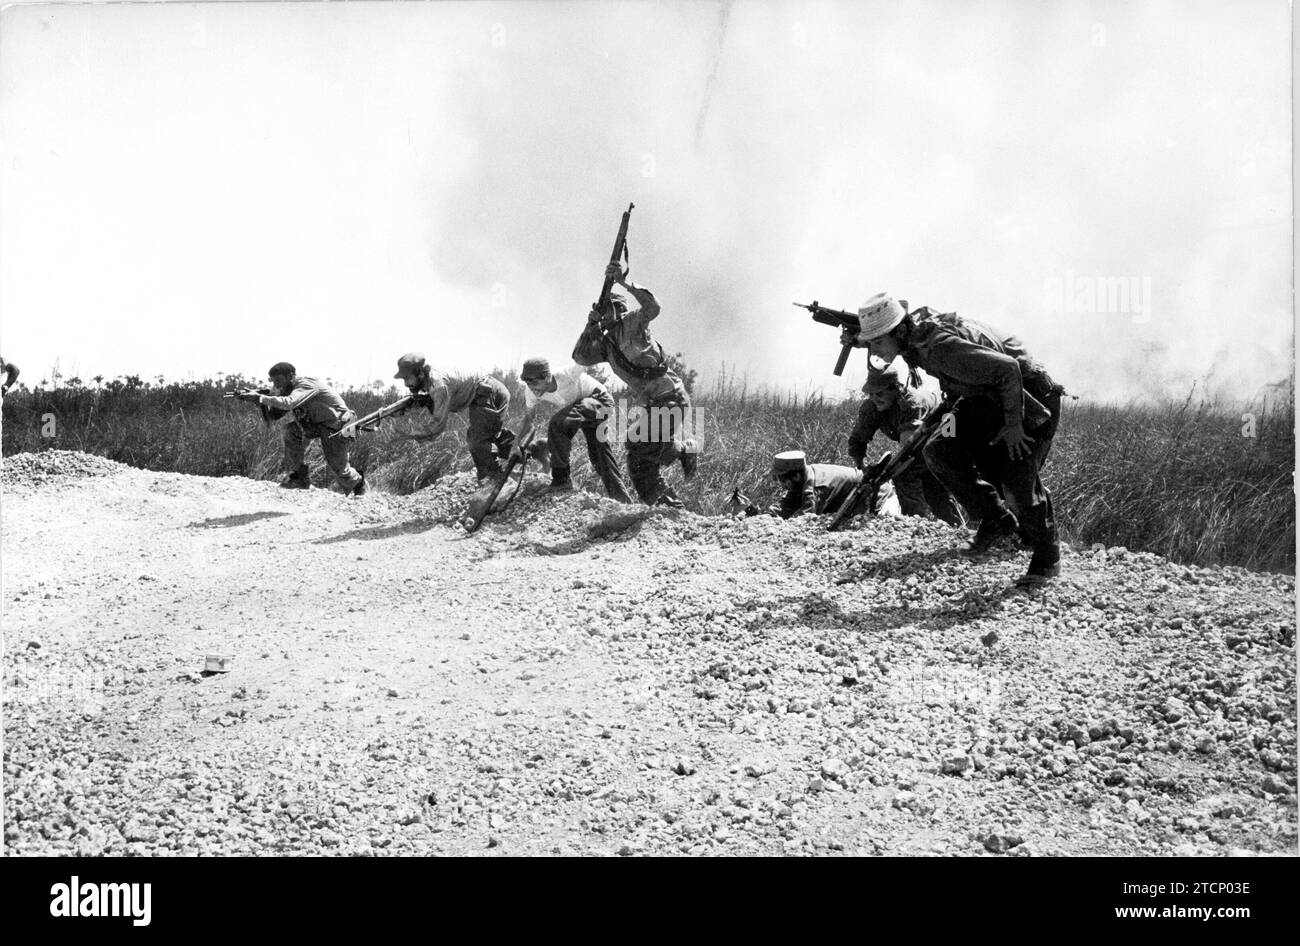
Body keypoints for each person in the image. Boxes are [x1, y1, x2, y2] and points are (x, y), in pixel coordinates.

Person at [844, 294, 1064, 587]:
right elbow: (888, 343)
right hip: (980, 397)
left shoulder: (941, 348)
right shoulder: (910, 334)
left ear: (898, 331)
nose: (874, 348)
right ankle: (997, 519)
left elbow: (1008, 369)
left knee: (1016, 478)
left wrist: (1013, 426)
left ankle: (1047, 558)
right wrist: (860, 339)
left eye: (877, 341)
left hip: (1025, 396)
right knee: (939, 450)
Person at [572, 258, 697, 507]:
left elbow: (654, 307)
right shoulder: (607, 345)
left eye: (606, 310)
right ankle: (666, 505)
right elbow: (580, 356)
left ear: (618, 311)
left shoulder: (633, 322)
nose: (604, 316)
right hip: (653, 403)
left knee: (634, 440)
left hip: (671, 396)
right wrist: (590, 325)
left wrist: (623, 282)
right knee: (638, 464)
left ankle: (683, 450)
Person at [848, 364, 964, 527]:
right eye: (871, 394)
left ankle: (919, 525)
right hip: (921, 443)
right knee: (916, 476)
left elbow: (907, 450)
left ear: (895, 389)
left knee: (915, 478)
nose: (875, 398)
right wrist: (862, 465)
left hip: (947, 432)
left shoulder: (912, 403)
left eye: (879, 393)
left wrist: (885, 473)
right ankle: (920, 525)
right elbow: (857, 439)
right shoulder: (871, 407)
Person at [518, 357, 632, 502]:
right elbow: (529, 418)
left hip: (600, 402)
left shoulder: (567, 374)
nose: (532, 388)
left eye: (535, 383)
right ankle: (624, 500)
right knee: (599, 456)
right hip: (584, 412)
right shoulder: (531, 391)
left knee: (558, 424)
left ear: (547, 377)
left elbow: (588, 358)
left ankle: (561, 480)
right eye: (528, 383)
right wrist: (516, 445)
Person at [243, 362, 366, 495]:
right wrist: (257, 401)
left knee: (340, 470)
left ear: (290, 376)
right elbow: (274, 415)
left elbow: (289, 403)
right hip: (317, 425)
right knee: (291, 431)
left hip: (337, 425)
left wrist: (261, 398)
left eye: (278, 381)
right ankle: (300, 477)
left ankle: (359, 483)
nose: (276, 385)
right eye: (273, 382)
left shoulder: (305, 385)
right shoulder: (290, 390)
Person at [391, 352, 515, 483]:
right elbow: (444, 400)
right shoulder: (431, 380)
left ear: (420, 373)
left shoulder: (438, 385)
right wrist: (419, 403)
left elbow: (437, 426)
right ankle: (506, 450)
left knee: (476, 440)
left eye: (407, 378)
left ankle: (496, 481)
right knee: (478, 438)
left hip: (491, 393)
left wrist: (407, 434)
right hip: (484, 394)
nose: (405, 384)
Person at [769, 450, 867, 519]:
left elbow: (806, 520)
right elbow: (789, 501)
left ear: (796, 476)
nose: (782, 485)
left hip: (871, 493)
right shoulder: (803, 476)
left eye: (782, 480)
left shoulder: (816, 489)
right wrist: (765, 516)